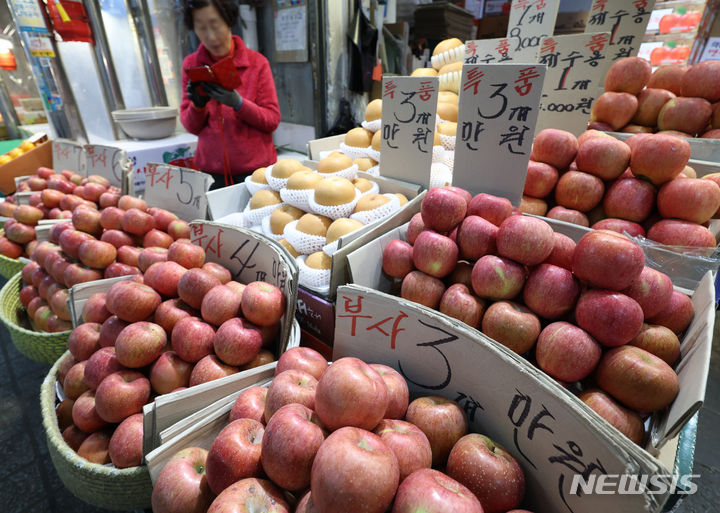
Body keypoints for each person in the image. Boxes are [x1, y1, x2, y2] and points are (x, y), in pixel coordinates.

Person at [181, 0, 280, 188]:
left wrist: (239, 103)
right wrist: (198, 106)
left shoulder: (257, 63)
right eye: (201, 28)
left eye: (215, 24)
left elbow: (272, 119)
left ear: (228, 20)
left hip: (255, 172)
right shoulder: (191, 65)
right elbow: (191, 126)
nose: (210, 36)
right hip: (211, 173)